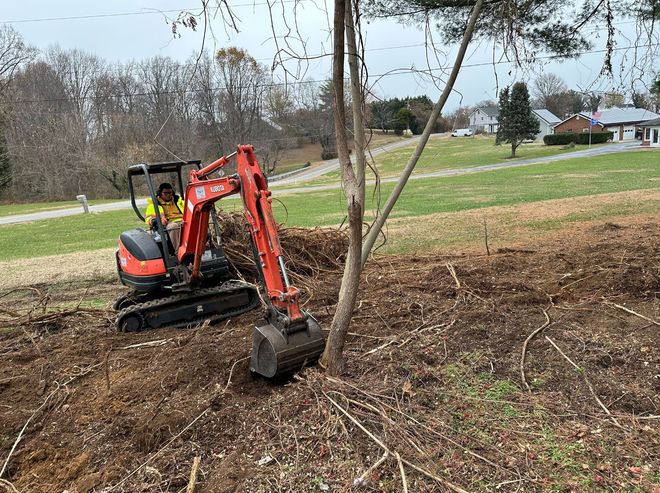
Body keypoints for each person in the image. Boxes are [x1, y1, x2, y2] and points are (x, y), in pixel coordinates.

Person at [144, 183, 185, 250]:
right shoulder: (155, 204)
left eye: (170, 192)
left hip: (183, 220)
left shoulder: (179, 201)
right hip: (167, 223)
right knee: (173, 226)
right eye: (165, 193)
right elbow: (148, 217)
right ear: (160, 193)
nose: (168, 195)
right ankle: (178, 252)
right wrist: (153, 220)